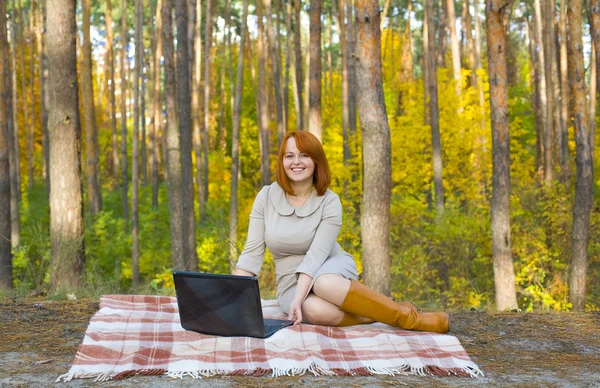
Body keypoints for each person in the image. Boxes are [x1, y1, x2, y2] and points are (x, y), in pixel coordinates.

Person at [233, 131, 449, 333]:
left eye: (304, 155)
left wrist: (299, 298)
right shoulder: (266, 196)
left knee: (324, 283)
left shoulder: (329, 201)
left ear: (316, 161)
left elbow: (316, 256)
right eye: (289, 156)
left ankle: (409, 319)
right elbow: (251, 254)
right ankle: (375, 312)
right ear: (282, 162)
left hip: (328, 266)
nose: (296, 162)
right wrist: (229, 298)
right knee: (317, 312)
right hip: (289, 278)